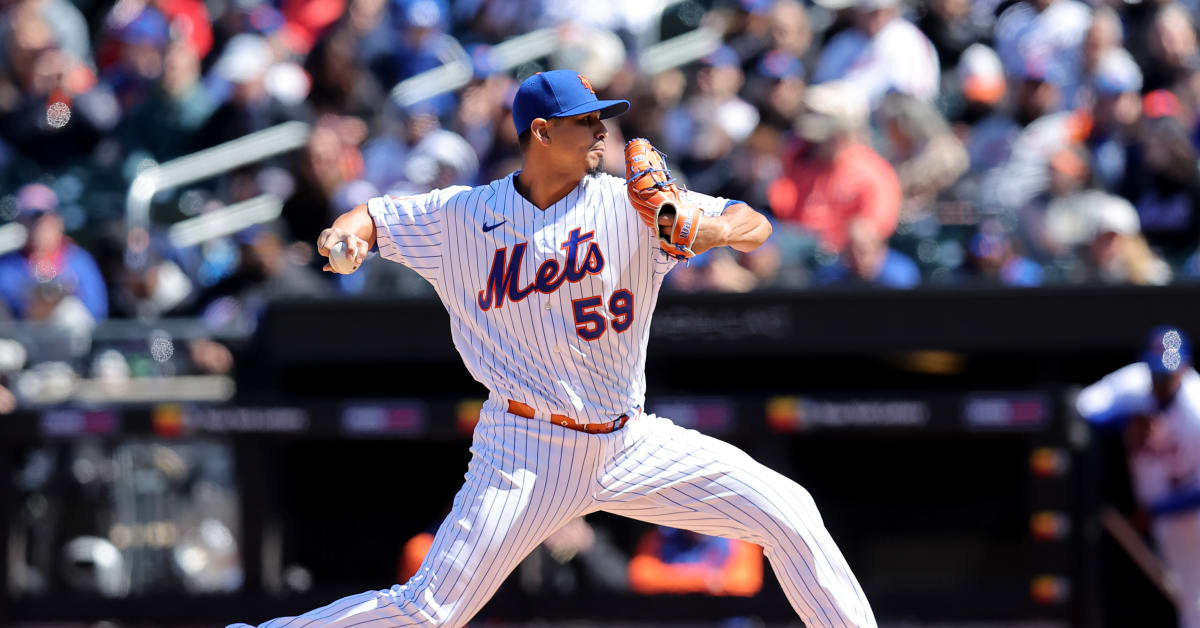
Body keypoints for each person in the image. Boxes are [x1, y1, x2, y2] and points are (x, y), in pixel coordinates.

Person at [228, 70, 875, 627]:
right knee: (431, 610)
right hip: (525, 448)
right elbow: (371, 216)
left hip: (631, 441)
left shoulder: (633, 206)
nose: (601, 131)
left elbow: (753, 222)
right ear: (540, 131)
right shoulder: (463, 216)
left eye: (603, 119)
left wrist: (707, 228)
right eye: (584, 120)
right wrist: (347, 239)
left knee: (789, 512)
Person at [1076, 327, 1200, 628]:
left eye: (1167, 373)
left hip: (1192, 511)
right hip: (1163, 516)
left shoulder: (1196, 407)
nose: (1159, 380)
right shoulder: (1134, 383)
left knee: (1195, 603)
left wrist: (1157, 510)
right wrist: (1126, 420)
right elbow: (1082, 407)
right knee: (1188, 600)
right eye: (1156, 371)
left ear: (1184, 369)